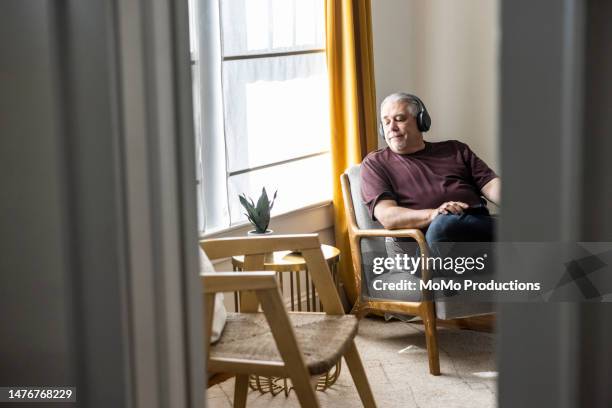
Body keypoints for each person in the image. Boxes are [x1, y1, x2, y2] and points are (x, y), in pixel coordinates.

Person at [360, 92, 500, 298]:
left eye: (399, 119)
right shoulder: (376, 164)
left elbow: (492, 185)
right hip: (427, 245)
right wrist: (434, 214)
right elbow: (388, 216)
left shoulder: (455, 150)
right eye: (386, 121)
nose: (391, 127)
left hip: (478, 234)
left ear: (421, 121)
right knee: (445, 224)